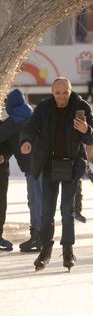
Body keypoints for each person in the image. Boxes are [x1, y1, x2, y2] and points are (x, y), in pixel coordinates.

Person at [20, 77, 93, 271]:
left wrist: (86, 129)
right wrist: (26, 141)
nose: (61, 97)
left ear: (70, 91)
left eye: (65, 92)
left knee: (67, 210)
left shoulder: (82, 106)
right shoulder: (44, 107)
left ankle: (68, 249)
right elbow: (30, 127)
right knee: (47, 211)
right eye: (58, 93)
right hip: (48, 164)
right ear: (52, 92)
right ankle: (46, 250)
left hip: (72, 165)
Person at [0, 89, 42, 252]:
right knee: (41, 199)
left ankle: (38, 237)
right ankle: (41, 235)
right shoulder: (31, 114)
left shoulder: (14, 120)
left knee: (35, 201)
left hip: (33, 167)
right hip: (44, 164)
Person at [0, 137, 12, 251]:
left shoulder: (4, 124)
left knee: (1, 205)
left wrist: (4, 155)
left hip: (1, 171)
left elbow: (11, 142)